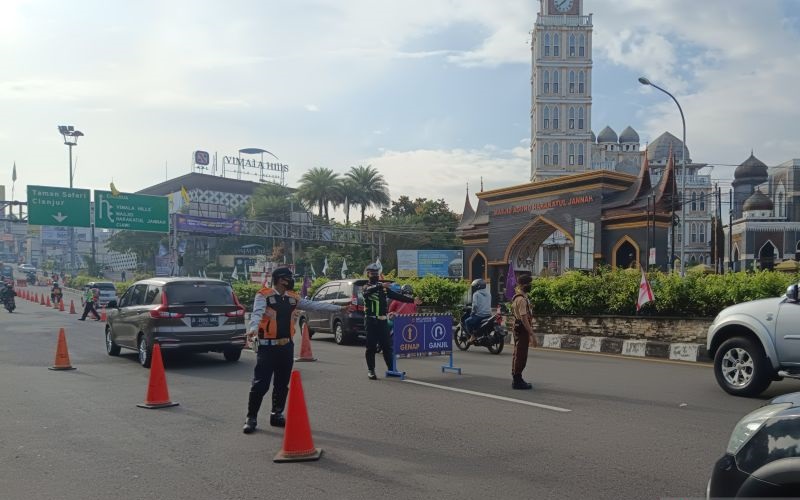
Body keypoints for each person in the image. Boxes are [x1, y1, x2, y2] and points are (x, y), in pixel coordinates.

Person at [242, 267, 346, 434]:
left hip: (286, 346)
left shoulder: (292, 297)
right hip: (267, 347)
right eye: (287, 278)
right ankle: (251, 417)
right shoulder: (264, 295)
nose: (290, 281)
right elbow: (257, 314)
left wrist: (338, 309)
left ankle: (276, 414)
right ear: (279, 279)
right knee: (260, 384)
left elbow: (314, 305)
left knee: (282, 384)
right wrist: (253, 328)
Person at [362, 263, 421, 380]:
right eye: (372, 274)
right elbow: (367, 291)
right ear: (368, 274)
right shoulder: (366, 287)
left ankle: (391, 368)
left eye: (376, 274)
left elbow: (397, 296)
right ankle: (371, 370)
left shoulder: (383, 288)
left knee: (387, 346)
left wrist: (412, 300)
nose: (375, 276)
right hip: (371, 321)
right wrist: (381, 285)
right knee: (371, 347)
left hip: (383, 321)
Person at [510, 274, 535, 390]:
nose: (530, 286)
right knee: (521, 354)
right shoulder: (521, 300)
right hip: (522, 328)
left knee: (517, 353)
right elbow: (524, 318)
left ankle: (516, 377)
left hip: (517, 327)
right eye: (528, 284)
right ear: (521, 285)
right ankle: (517, 380)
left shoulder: (517, 297)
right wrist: (531, 333)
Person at [465, 278, 492, 345]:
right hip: (488, 315)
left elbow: (475, 306)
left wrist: (472, 312)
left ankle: (472, 336)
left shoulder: (476, 294)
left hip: (480, 315)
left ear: (478, 286)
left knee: (467, 321)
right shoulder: (489, 294)